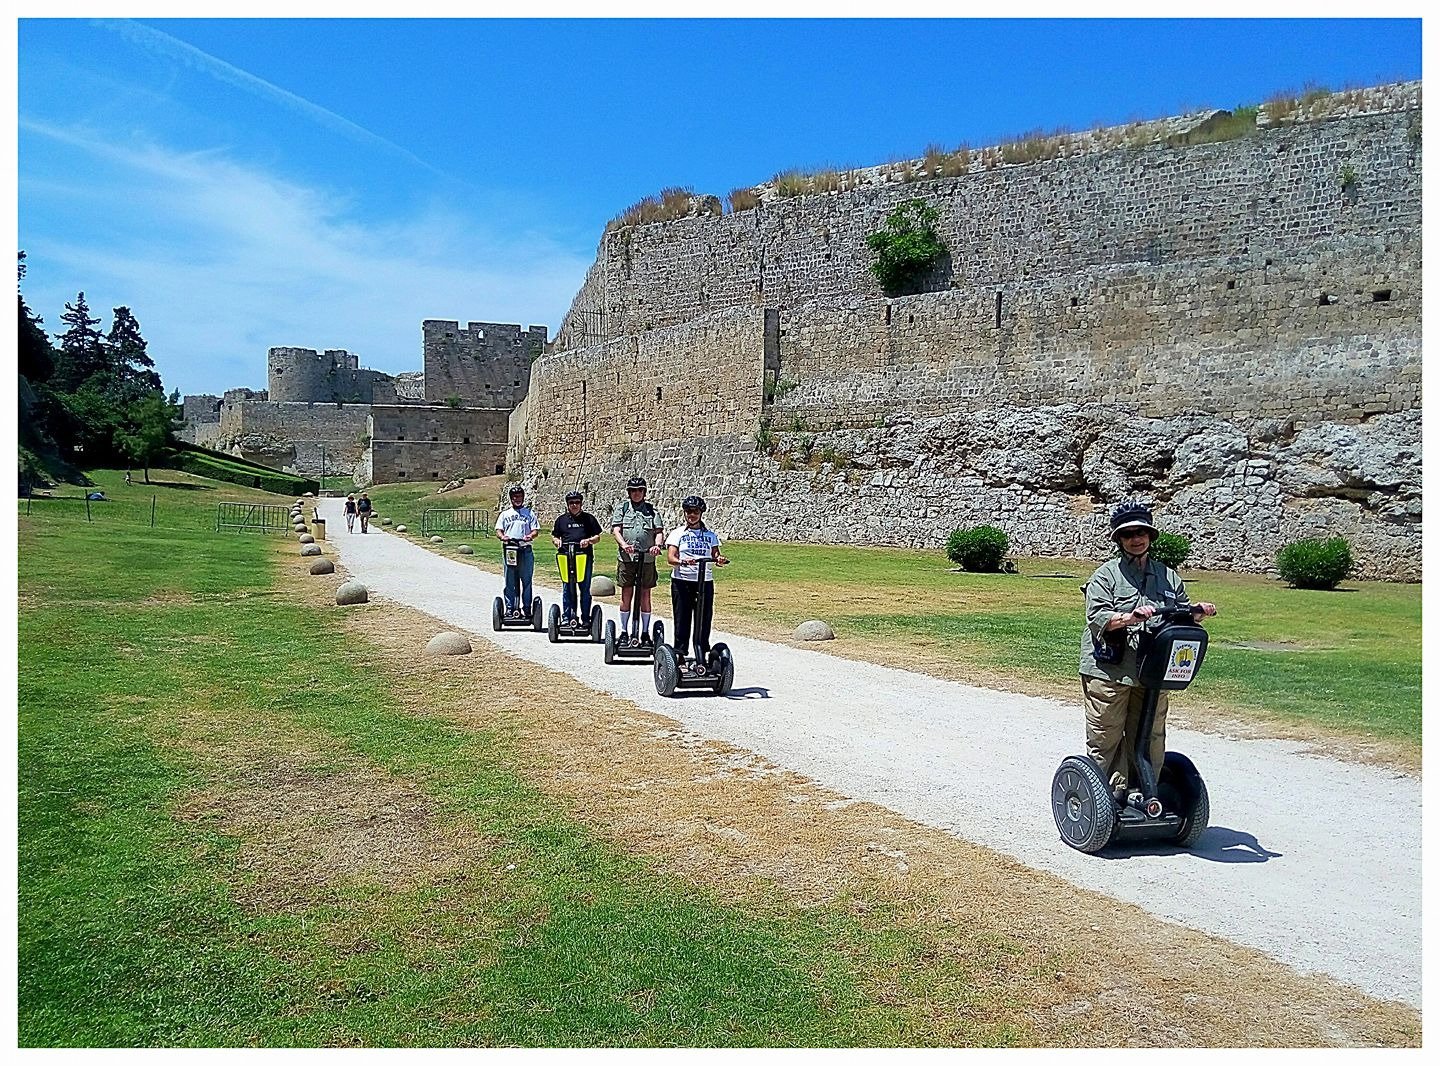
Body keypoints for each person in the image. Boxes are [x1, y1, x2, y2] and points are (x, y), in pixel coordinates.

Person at [1080, 501, 1217, 804]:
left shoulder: (1168, 577)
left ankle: (1146, 793)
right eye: (1128, 534)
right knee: (1107, 736)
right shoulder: (1106, 576)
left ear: (1151, 536)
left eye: (1142, 532)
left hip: (1152, 669)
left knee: (1150, 734)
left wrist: (1198, 612)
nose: (1136, 538)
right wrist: (1128, 618)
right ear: (1119, 539)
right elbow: (1097, 616)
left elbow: (1180, 613)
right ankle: (1105, 798)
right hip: (1110, 669)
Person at [665, 495, 729, 674]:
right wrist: (683, 562)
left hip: (704, 582)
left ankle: (702, 652)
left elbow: (716, 556)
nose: (691, 515)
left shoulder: (710, 536)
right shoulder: (677, 533)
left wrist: (720, 560)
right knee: (682, 617)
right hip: (682, 581)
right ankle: (680, 654)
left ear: (701, 513)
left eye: (695, 512)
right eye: (688, 512)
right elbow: (671, 558)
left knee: (704, 619)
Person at [610, 475, 665, 648]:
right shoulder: (623, 508)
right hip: (627, 558)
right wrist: (624, 545)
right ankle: (625, 631)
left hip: (647, 559)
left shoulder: (651, 511)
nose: (636, 493)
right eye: (633, 490)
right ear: (629, 492)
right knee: (626, 593)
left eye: (640, 490)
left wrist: (657, 545)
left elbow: (659, 532)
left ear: (644, 492)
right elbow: (616, 530)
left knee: (645, 595)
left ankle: (645, 632)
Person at [551, 490, 604, 625]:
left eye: (577, 502)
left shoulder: (589, 519)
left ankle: (586, 618)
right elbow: (555, 535)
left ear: (581, 503)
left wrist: (589, 541)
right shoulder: (561, 520)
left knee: (584, 588)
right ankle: (567, 617)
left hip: (583, 557)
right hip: (566, 557)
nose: (574, 505)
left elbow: (597, 537)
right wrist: (556, 541)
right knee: (567, 587)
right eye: (571, 503)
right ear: (567, 504)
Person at [495, 484, 541, 617]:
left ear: (523, 497)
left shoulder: (529, 513)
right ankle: (510, 608)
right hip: (510, 548)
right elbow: (499, 530)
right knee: (510, 579)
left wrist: (530, 536)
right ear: (511, 498)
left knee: (526, 580)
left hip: (525, 548)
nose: (517, 499)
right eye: (515, 497)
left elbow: (535, 530)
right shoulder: (505, 514)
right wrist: (502, 537)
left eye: (519, 496)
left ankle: (527, 608)